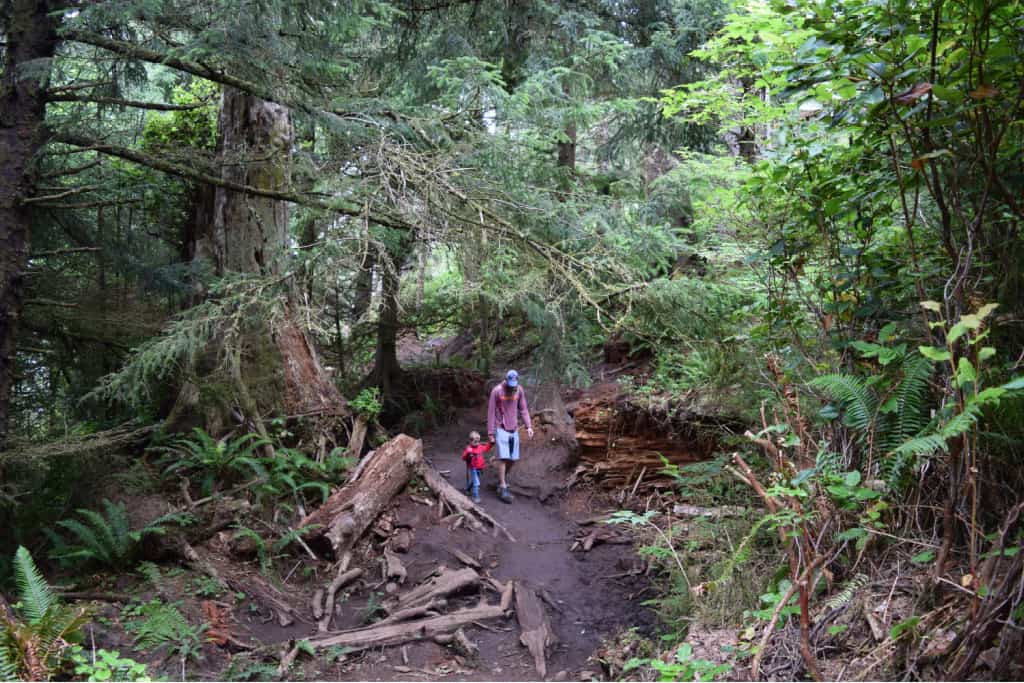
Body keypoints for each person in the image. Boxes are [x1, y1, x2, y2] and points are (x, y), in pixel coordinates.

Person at [487, 369, 533, 504]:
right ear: (506, 380)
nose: (512, 387)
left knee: (513, 459)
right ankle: (502, 487)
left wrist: (528, 426)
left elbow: (523, 409)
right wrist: (490, 432)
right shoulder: (497, 391)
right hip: (501, 428)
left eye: (514, 383)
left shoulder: (519, 390)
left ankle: (501, 480)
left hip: (513, 428)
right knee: (504, 457)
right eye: (510, 383)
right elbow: (490, 412)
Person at [461, 430, 492, 503]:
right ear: (470, 441)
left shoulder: (480, 447)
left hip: (480, 467)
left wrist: (491, 443)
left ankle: (468, 489)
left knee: (474, 480)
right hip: (473, 467)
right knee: (476, 482)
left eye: (478, 441)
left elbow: (486, 448)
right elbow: (463, 457)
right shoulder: (469, 449)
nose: (477, 443)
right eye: (475, 442)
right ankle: (475, 496)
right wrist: (468, 454)